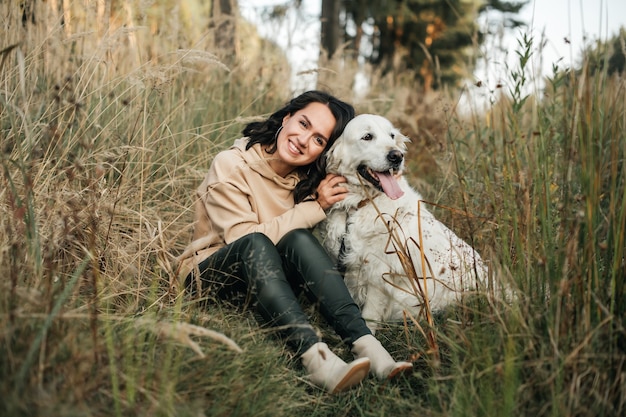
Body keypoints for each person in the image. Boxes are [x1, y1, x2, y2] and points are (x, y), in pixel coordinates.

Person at [177, 90, 412, 394]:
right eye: (303, 124)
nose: (304, 140)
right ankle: (316, 360)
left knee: (298, 237)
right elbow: (243, 239)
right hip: (209, 277)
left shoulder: (306, 181)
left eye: (318, 140)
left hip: (266, 284)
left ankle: (368, 345)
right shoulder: (231, 165)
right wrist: (314, 208)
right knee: (256, 243)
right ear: (286, 118)